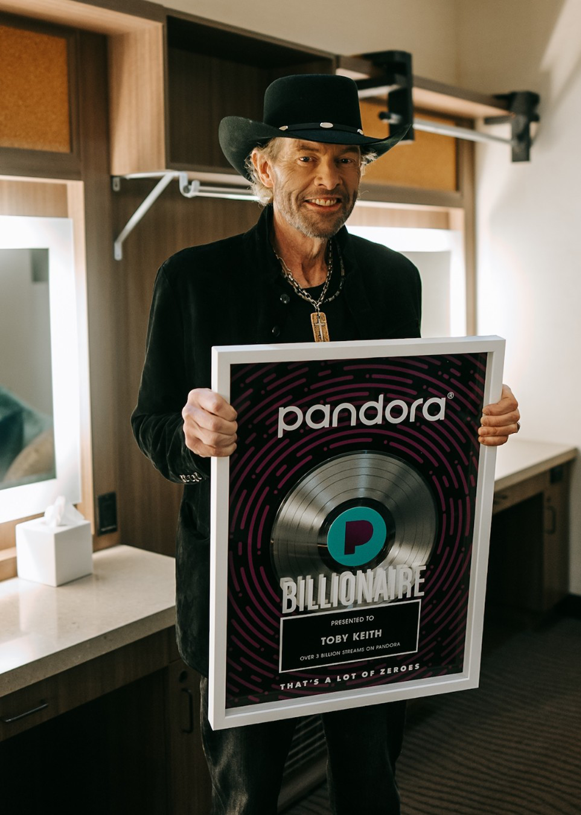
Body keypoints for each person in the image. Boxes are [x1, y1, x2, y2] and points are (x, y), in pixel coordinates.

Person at [132, 74, 520, 815]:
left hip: (364, 570)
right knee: (249, 795)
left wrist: (475, 422)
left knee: (371, 783)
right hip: (242, 584)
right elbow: (150, 424)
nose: (328, 179)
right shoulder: (193, 280)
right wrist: (190, 435)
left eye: (345, 160)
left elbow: (403, 419)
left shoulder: (391, 278)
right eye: (306, 157)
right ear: (263, 168)